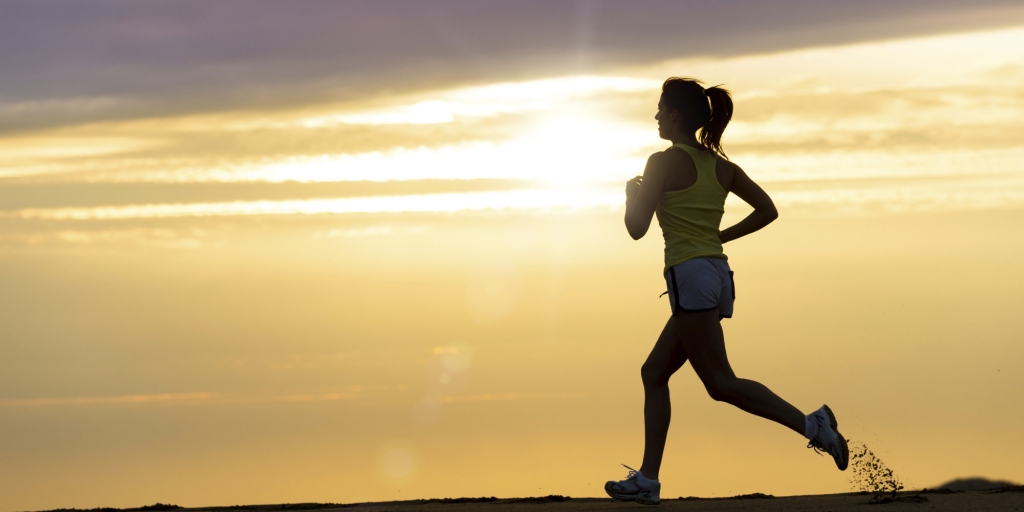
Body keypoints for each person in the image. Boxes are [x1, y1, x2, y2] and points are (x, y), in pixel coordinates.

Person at [603, 78, 848, 505]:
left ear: (676, 114)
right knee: (654, 372)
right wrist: (719, 238)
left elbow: (636, 229)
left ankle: (814, 426)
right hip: (716, 274)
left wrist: (632, 195)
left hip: (691, 276)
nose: (657, 115)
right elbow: (767, 209)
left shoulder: (661, 162)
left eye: (661, 108)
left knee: (720, 383)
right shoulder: (721, 166)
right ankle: (648, 479)